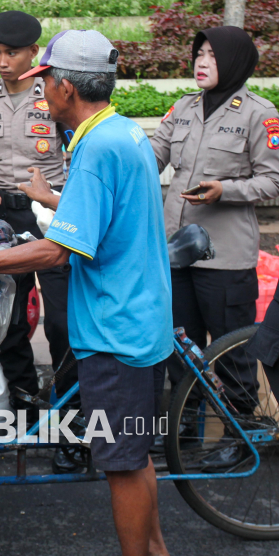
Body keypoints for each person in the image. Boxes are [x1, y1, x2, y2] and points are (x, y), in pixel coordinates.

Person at [0, 30, 172, 556]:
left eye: (47, 81)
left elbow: (58, 252)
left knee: (122, 466)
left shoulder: (97, 148)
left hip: (115, 332)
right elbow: (106, 219)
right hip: (141, 322)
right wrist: (51, 196)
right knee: (137, 456)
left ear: (65, 87)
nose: (44, 92)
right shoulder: (123, 132)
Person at [149, 27, 279, 460]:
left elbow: (273, 180)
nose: (201, 62)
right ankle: (184, 430)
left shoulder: (259, 114)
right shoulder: (184, 107)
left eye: (212, 55)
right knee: (178, 346)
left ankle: (241, 439)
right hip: (175, 249)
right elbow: (154, 154)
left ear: (236, 62)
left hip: (223, 257)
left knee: (230, 351)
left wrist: (227, 190)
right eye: (198, 53)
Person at [0, 11, 76, 471]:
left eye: (12, 53)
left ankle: (70, 422)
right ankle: (27, 410)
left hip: (50, 214)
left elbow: (76, 156)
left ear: (34, 53)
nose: (3, 61)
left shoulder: (52, 97)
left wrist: (62, 200)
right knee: (6, 320)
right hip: (1, 218)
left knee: (63, 323)